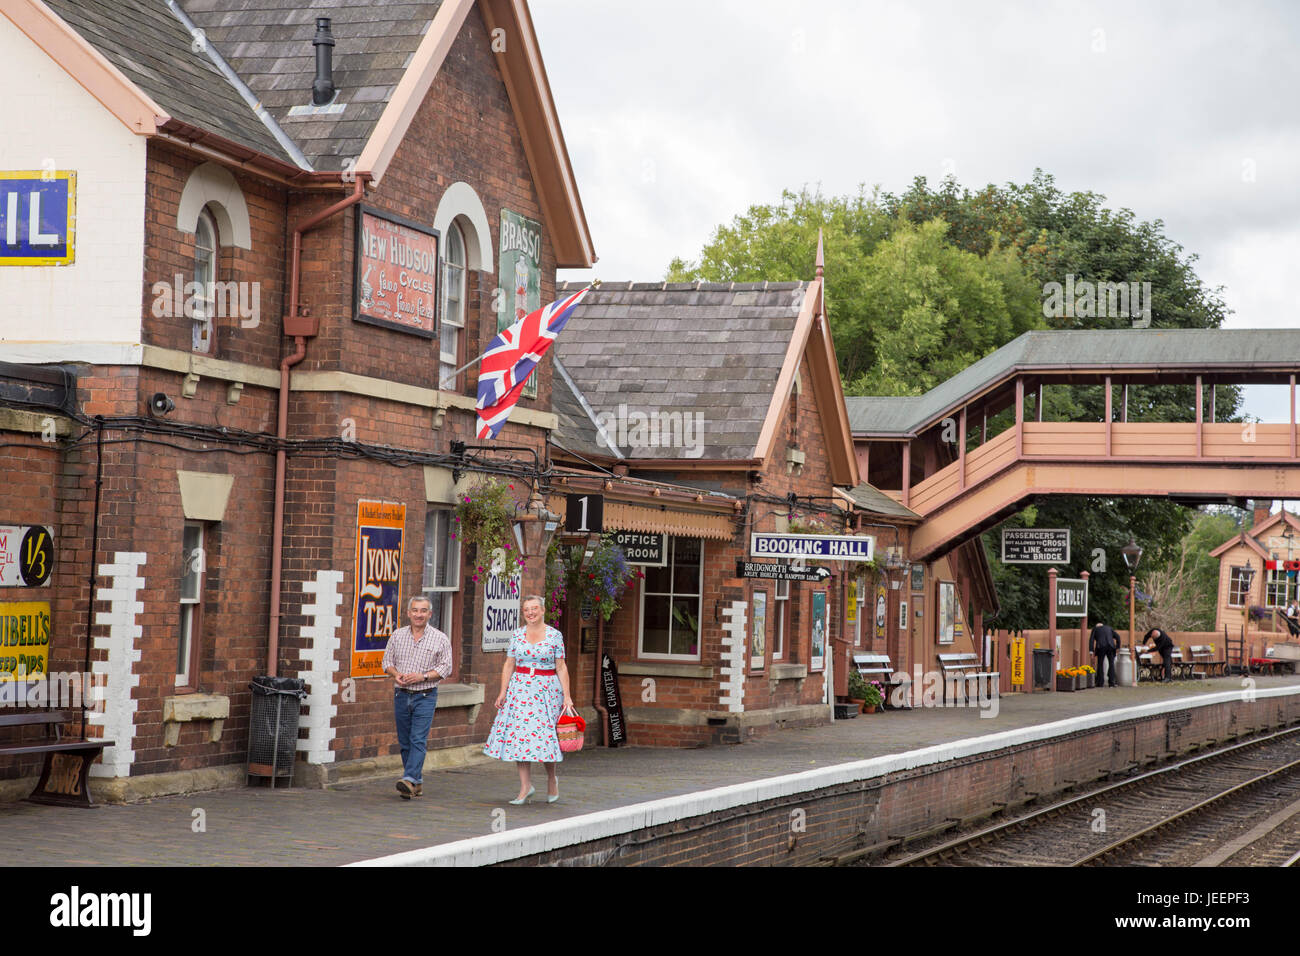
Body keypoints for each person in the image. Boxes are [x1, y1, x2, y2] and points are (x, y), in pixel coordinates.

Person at [484, 594, 575, 804]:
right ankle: (526, 787)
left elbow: (561, 667)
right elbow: (509, 664)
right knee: (520, 738)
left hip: (547, 690)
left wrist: (567, 697)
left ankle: (552, 779)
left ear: (543, 610)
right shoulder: (517, 635)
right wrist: (502, 691)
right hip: (520, 688)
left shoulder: (554, 635)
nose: (531, 613)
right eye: (527, 610)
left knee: (545, 739)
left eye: (534, 608)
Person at [381, 595, 453, 800]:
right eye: (415, 610)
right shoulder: (397, 635)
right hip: (401, 694)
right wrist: (397, 675)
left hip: (425, 695)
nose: (418, 615)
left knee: (417, 739)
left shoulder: (439, 638)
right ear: (408, 613)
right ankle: (415, 783)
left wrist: (422, 676)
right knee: (404, 741)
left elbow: (446, 667)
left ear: (430, 614)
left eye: (423, 611)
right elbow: (387, 661)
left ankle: (409, 778)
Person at [1088, 619, 1119, 687]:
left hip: (1101, 647)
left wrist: (1091, 651)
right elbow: (1118, 637)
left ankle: (1100, 682)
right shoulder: (1109, 628)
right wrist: (1117, 647)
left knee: (1100, 664)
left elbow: (1091, 640)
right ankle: (1111, 682)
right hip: (1111, 646)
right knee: (1111, 664)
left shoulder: (1095, 629)